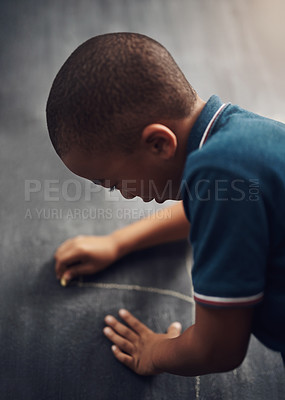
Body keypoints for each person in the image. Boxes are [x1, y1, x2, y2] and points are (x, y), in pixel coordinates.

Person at [46, 32, 285, 376]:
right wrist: (118, 242)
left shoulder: (219, 172)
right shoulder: (238, 139)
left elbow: (215, 349)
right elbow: (204, 209)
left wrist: (153, 352)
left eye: (113, 182)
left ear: (158, 144)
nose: (121, 193)